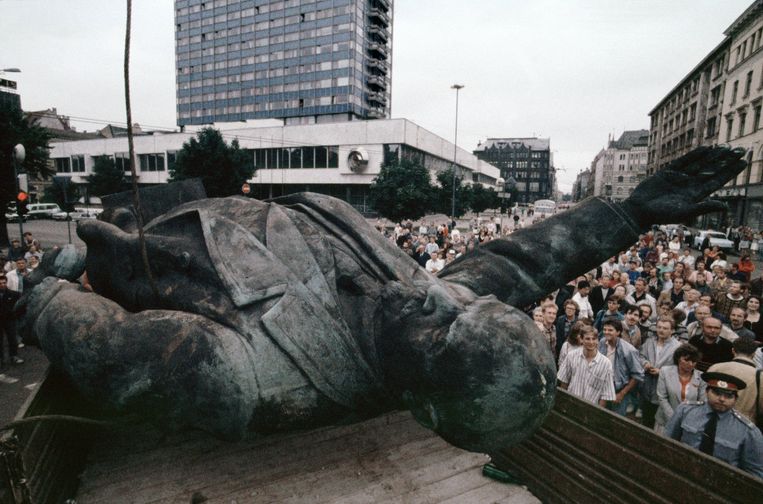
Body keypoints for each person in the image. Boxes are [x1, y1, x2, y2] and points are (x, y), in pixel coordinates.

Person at [16, 147, 748, 451]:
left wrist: (48, 288)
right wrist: (631, 213)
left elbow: (109, 353)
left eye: (440, 325)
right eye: (457, 301)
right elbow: (521, 261)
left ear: (420, 399)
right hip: (206, 212)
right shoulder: (433, 315)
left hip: (134, 247)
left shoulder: (236, 378)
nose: (436, 295)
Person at [665, 372, 763, 478]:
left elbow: (755, 472)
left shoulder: (747, 431)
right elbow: (667, 443)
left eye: (728, 395)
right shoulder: (685, 411)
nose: (721, 399)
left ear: (735, 399)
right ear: (707, 391)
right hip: (682, 473)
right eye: (717, 392)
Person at [557, 325, 616, 407]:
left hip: (591, 408)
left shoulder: (606, 363)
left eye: (594, 339)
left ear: (598, 340)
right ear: (581, 339)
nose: (591, 342)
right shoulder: (571, 356)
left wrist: (598, 412)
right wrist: (563, 404)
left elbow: (605, 394)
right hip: (571, 404)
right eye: (587, 339)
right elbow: (564, 382)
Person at [639, 317, 681, 428]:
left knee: (660, 420)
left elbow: (678, 368)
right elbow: (641, 355)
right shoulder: (649, 342)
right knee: (646, 415)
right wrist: (646, 364)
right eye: (659, 327)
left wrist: (661, 371)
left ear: (672, 330)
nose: (661, 330)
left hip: (664, 388)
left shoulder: (677, 347)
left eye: (665, 328)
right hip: (647, 385)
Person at [655, 344, 706, 435]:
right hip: (665, 421)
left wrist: (688, 420)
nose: (690, 364)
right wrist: (674, 419)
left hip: (689, 424)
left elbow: (702, 402)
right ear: (678, 359)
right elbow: (662, 398)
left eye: (694, 361)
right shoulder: (665, 371)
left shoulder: (701, 377)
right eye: (686, 360)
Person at [708, 337, 760, 424]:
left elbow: (704, 394)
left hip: (712, 419)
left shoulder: (715, 367)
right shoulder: (759, 376)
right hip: (744, 424)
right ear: (754, 354)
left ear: (733, 350)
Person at [599, 318, 644, 416]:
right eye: (605, 329)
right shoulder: (602, 343)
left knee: (616, 420)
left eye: (610, 330)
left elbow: (638, 375)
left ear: (618, 332)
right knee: (599, 416)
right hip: (601, 387)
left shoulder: (628, 350)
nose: (606, 332)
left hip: (618, 390)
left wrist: (622, 394)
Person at [0, 274, 23, 366]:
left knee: (12, 339)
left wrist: (15, 315)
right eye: (0, 283)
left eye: (4, 283)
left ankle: (14, 356)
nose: (2, 285)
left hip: (10, 319)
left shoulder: (14, 294)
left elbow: (20, 306)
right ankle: (1, 359)